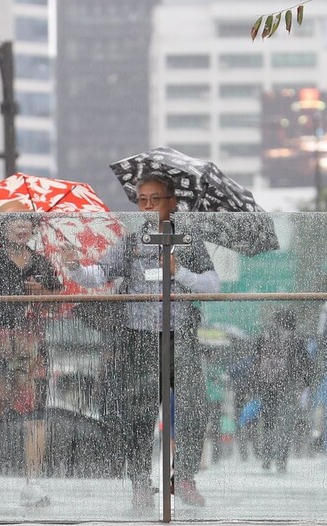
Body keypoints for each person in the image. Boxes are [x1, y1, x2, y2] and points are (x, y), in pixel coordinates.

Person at [62, 173, 219, 509]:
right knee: (139, 413)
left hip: (182, 339)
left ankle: (185, 477)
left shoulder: (190, 242)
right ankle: (140, 482)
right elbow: (98, 275)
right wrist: (75, 266)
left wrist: (180, 273)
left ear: (172, 202)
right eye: (142, 200)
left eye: (156, 199)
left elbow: (213, 287)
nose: (148, 206)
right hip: (140, 340)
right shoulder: (132, 243)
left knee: (194, 409)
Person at [0, 215, 61, 507]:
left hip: (31, 343)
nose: (22, 227)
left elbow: (57, 300)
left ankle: (32, 484)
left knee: (35, 416)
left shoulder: (41, 263)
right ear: (2, 229)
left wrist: (41, 292)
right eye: (15, 222)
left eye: (27, 222)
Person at [254, 309, 315, 472]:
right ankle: (281, 461)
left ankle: (266, 458)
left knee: (268, 422)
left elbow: (256, 361)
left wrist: (258, 384)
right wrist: (306, 385)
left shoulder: (264, 337)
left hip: (268, 385)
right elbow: (306, 364)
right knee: (285, 424)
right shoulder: (296, 340)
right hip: (288, 386)